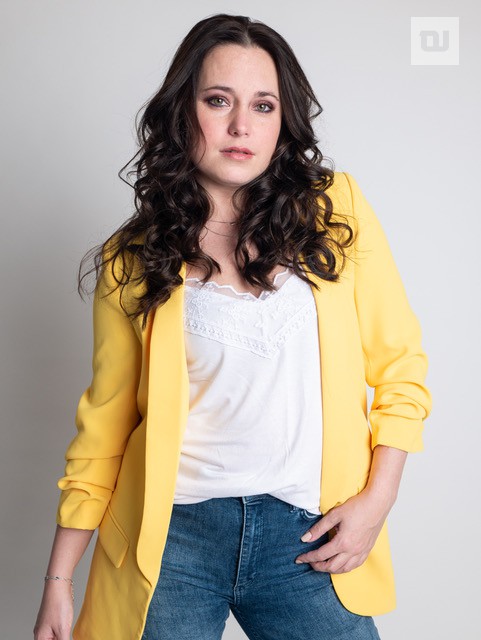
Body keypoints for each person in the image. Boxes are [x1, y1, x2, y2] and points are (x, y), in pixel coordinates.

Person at [33, 13, 432, 640]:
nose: (241, 125)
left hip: (310, 533)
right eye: (218, 100)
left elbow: (400, 368)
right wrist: (59, 580)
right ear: (182, 112)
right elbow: (104, 428)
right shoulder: (131, 260)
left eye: (263, 105)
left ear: (283, 121)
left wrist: (376, 502)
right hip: (174, 542)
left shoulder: (335, 211)